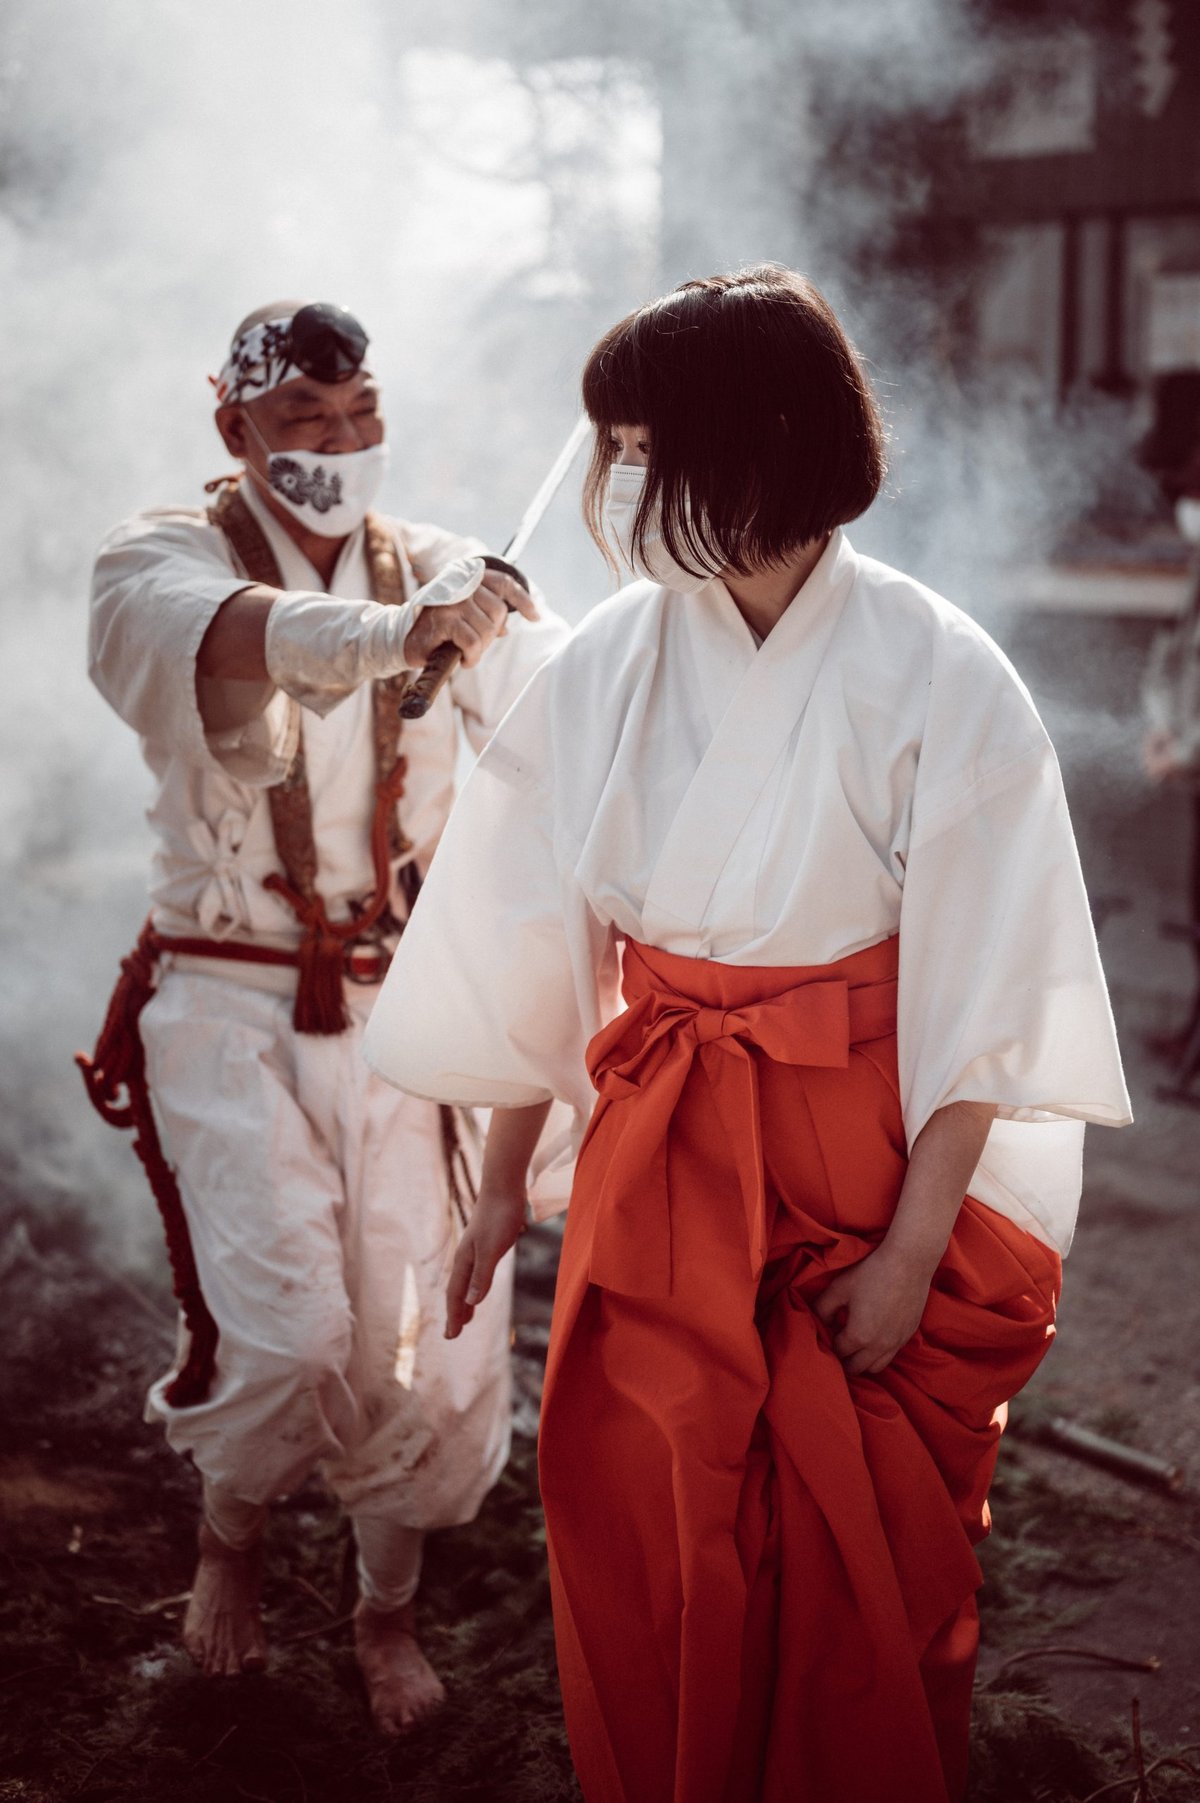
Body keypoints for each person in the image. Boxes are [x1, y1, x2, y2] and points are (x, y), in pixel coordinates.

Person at [362, 265, 1131, 1802]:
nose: (617, 483)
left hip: (864, 1143)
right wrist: (508, 1184)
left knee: (861, 1546)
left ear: (757, 442)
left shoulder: (941, 669)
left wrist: (915, 1253)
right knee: (652, 1506)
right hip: (660, 1133)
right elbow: (537, 943)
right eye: (613, 448)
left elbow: (990, 989)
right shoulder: (608, 663)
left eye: (645, 445)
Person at [80, 299, 568, 1732]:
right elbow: (224, 643)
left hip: (408, 1008)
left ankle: (386, 1615)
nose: (340, 450)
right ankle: (227, 1543)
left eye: (363, 422)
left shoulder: (453, 571)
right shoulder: (156, 559)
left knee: (415, 1342)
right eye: (304, 425)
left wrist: (530, 639)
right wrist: (389, 634)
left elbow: (569, 707)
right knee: (290, 1335)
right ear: (233, 430)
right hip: (227, 1002)